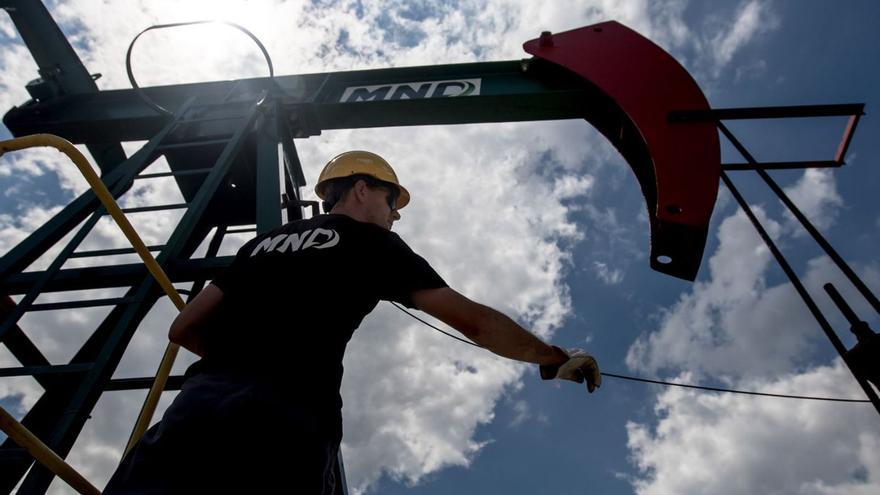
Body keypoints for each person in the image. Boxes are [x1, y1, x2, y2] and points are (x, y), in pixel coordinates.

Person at [104, 150, 600, 494]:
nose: (394, 217)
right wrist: (553, 357)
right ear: (362, 189)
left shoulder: (261, 244)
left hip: (196, 411)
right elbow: (472, 321)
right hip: (286, 421)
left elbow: (183, 329)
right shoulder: (371, 244)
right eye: (390, 203)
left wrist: (239, 364)